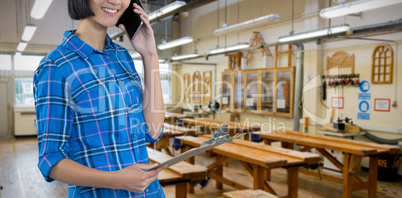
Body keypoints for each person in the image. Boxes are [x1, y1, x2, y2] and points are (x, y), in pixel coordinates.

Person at [33, 0, 166, 197]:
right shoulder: (56, 66)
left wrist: (150, 55)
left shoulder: (122, 57)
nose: (116, 1)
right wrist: (118, 180)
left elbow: (152, 132)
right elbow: (51, 159)